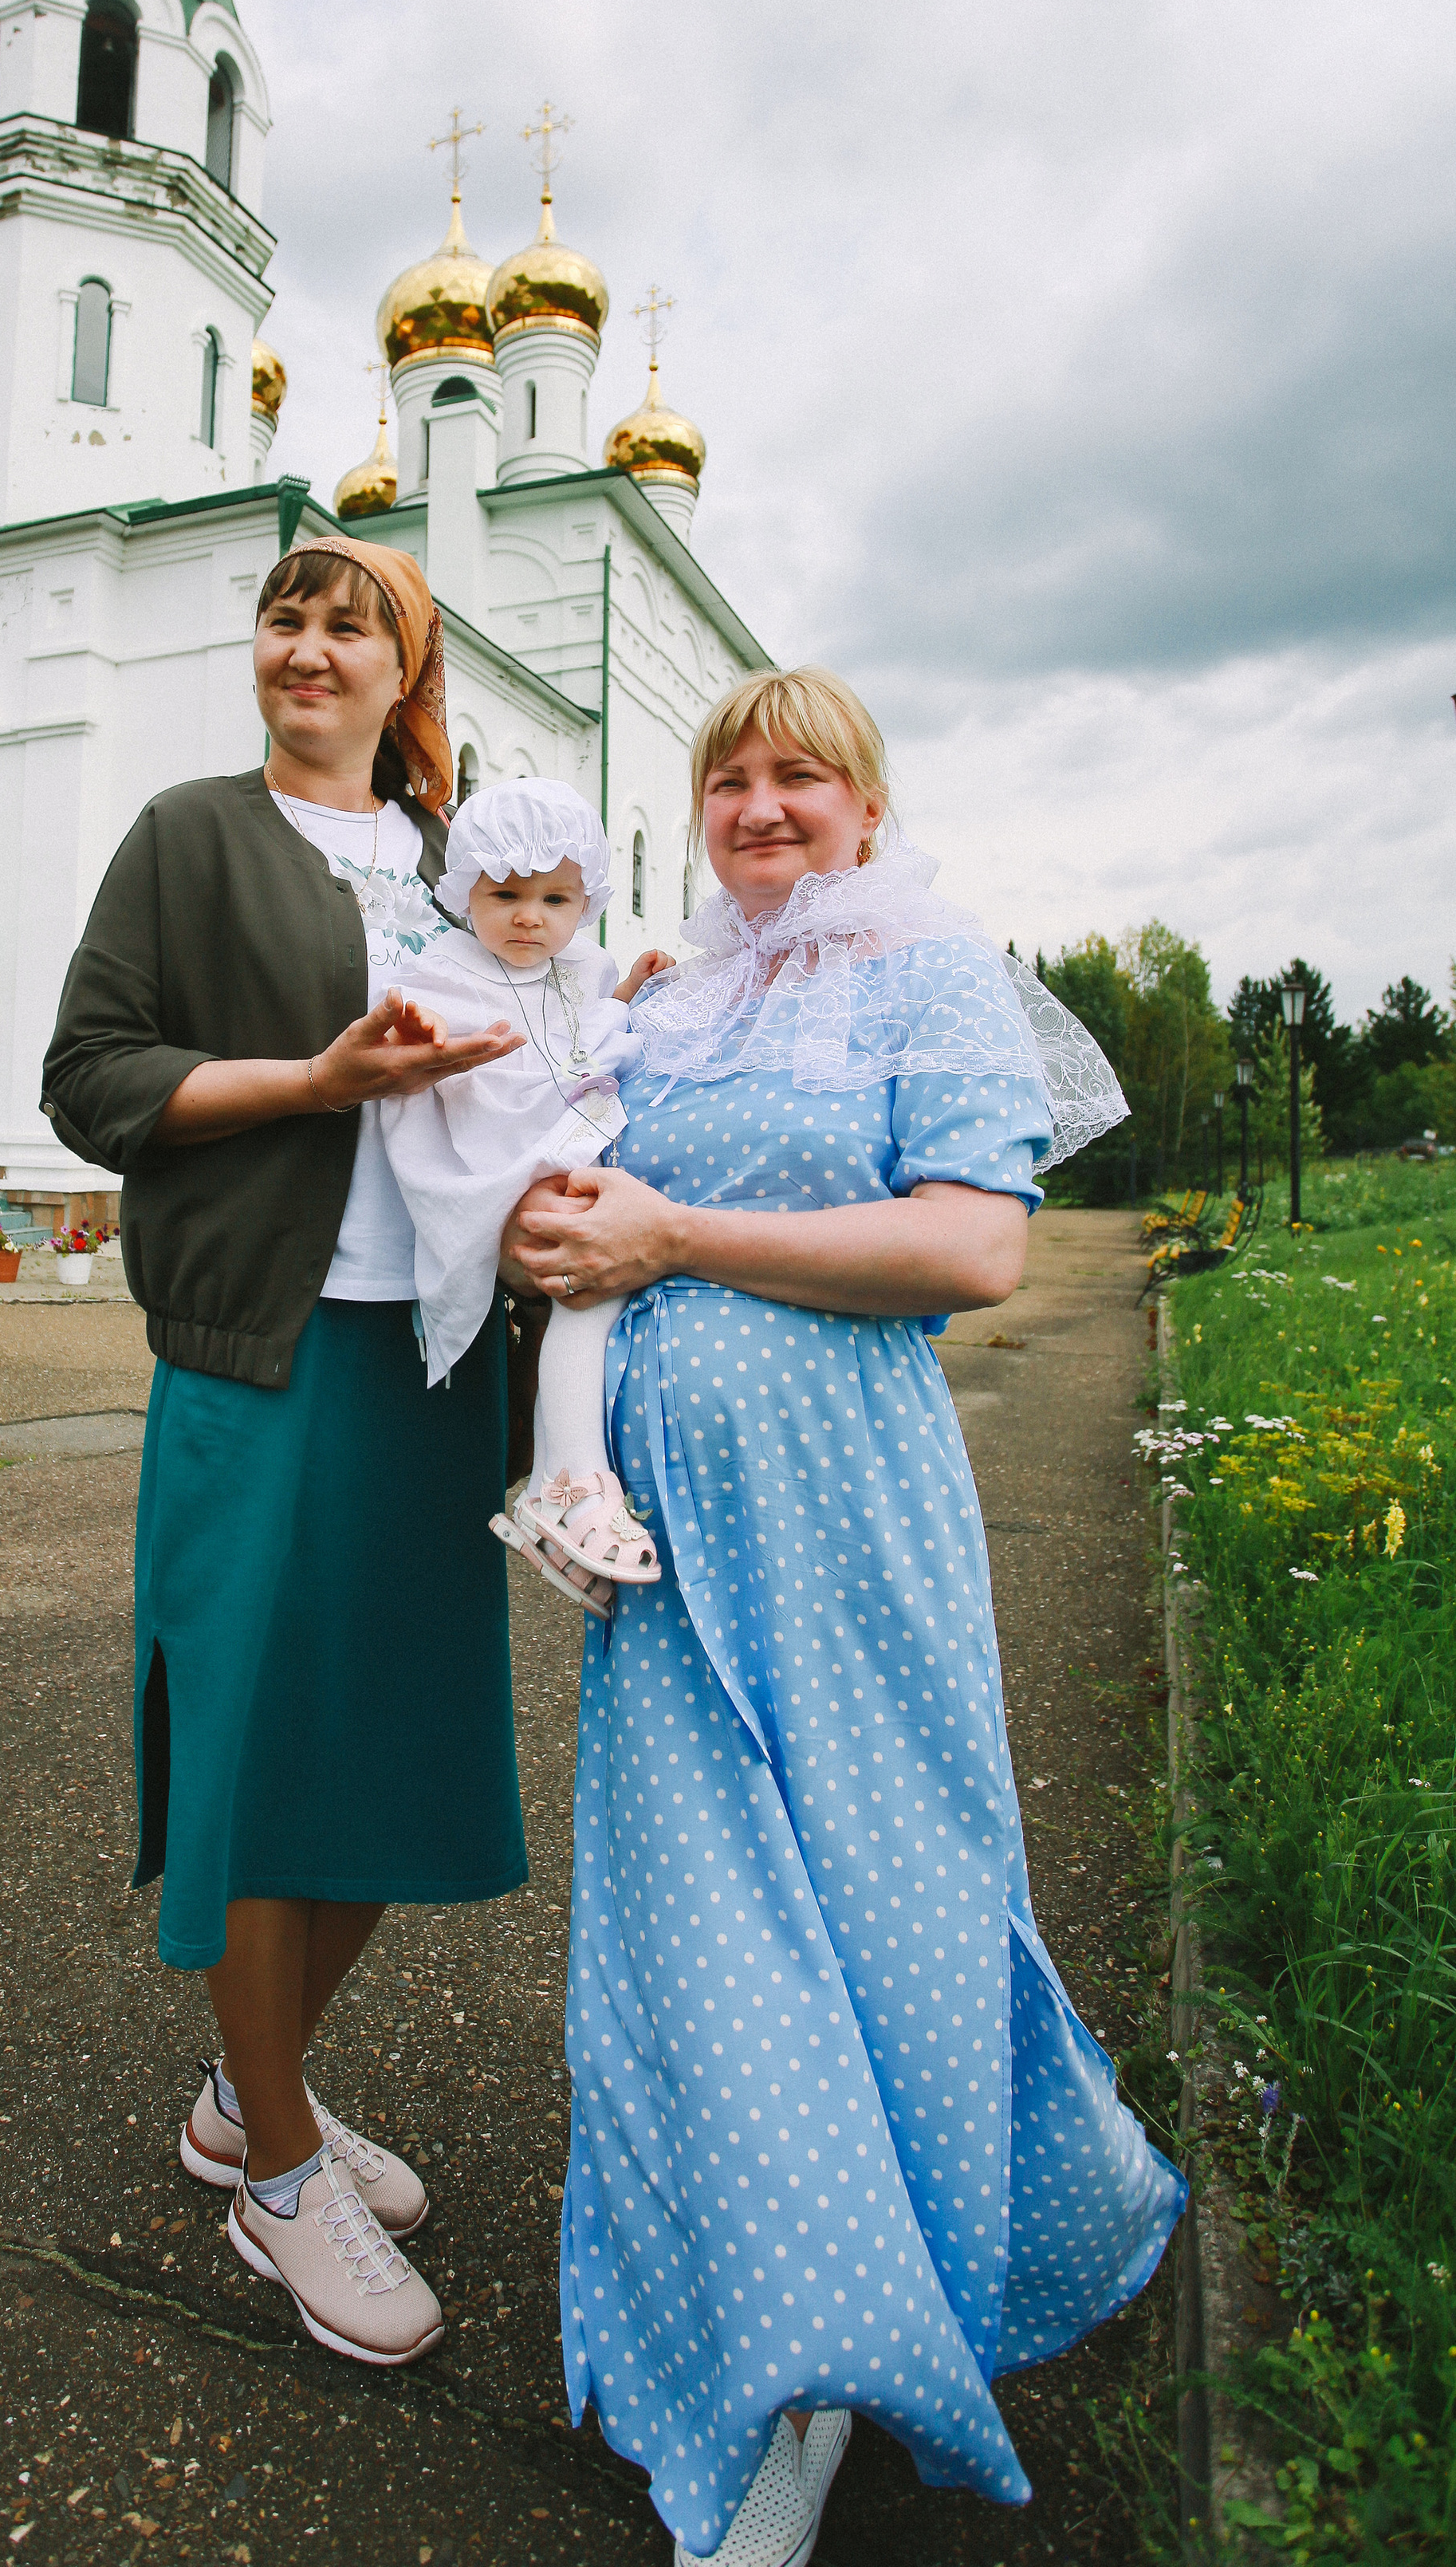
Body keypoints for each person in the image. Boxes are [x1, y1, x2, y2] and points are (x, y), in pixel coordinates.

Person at [506, 665, 1182, 2566]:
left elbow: (970, 1244)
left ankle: (894, 2296)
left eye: (802, 775)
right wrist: (552, 1279)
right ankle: (784, 2360)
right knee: (696, 1929)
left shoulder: (926, 969)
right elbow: (565, 1195)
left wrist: (672, 1238)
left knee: (885, 1891)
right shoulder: (667, 991)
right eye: (729, 778)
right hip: (666, 1550)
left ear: (866, 810)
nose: (761, 805)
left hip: (849, 1527)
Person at [40, 533, 529, 2372]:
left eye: (351, 625)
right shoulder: (190, 833)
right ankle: (274, 2167)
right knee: (254, 1750)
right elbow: (91, 1079)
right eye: (285, 618)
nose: (307, 646)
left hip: (435, 1360)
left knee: (382, 1756)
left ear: (409, 677)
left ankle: (254, 2099)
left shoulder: (463, 861)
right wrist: (311, 1084)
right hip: (260, 1345)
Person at [378, 774, 669, 1610]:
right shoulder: (444, 971)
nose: (528, 917)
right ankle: (567, 1483)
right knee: (586, 1276)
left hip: (559, 1155)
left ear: (589, 899)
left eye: (556, 898)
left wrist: (622, 1000)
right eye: (503, 894)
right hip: (493, 1164)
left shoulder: (582, 966)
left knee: (599, 1286)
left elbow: (571, 1045)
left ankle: (567, 1477)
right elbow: (463, 1065)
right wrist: (425, 1039)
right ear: (463, 887)